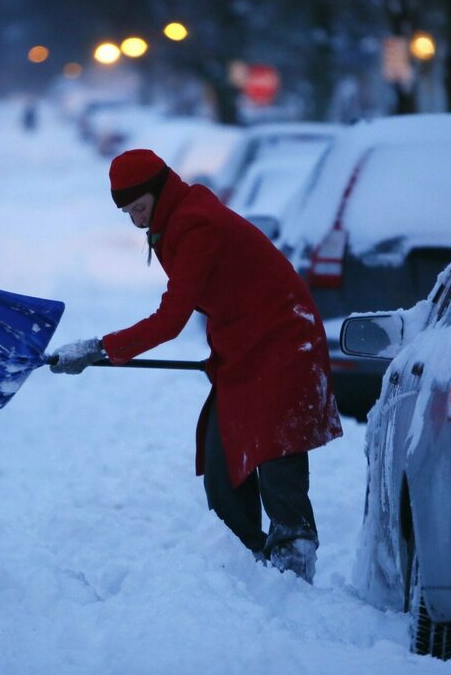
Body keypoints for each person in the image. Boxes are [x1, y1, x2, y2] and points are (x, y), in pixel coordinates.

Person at [50, 149, 342, 583]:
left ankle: (293, 562)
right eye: (128, 213)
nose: (136, 222)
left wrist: (100, 347)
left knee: (275, 450)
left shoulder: (194, 224)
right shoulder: (177, 217)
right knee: (223, 459)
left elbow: (172, 319)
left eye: (140, 208)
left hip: (284, 342)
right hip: (247, 347)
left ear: (159, 190)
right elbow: (231, 293)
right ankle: (248, 564)